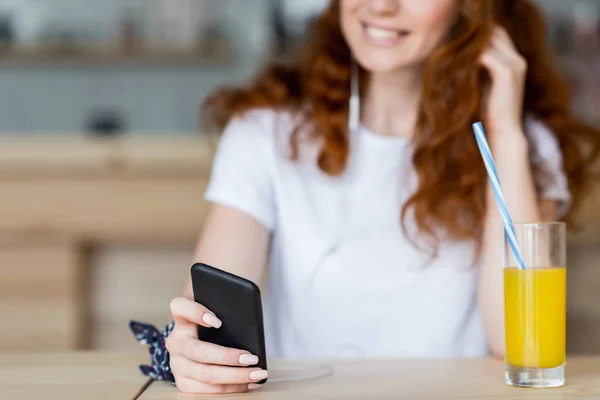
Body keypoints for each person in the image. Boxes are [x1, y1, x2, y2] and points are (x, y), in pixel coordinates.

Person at [160, 0, 599, 394]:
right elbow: (212, 323)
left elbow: (517, 341)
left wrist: (504, 131)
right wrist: (195, 351)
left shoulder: (520, 147)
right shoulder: (264, 135)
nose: (382, 5)